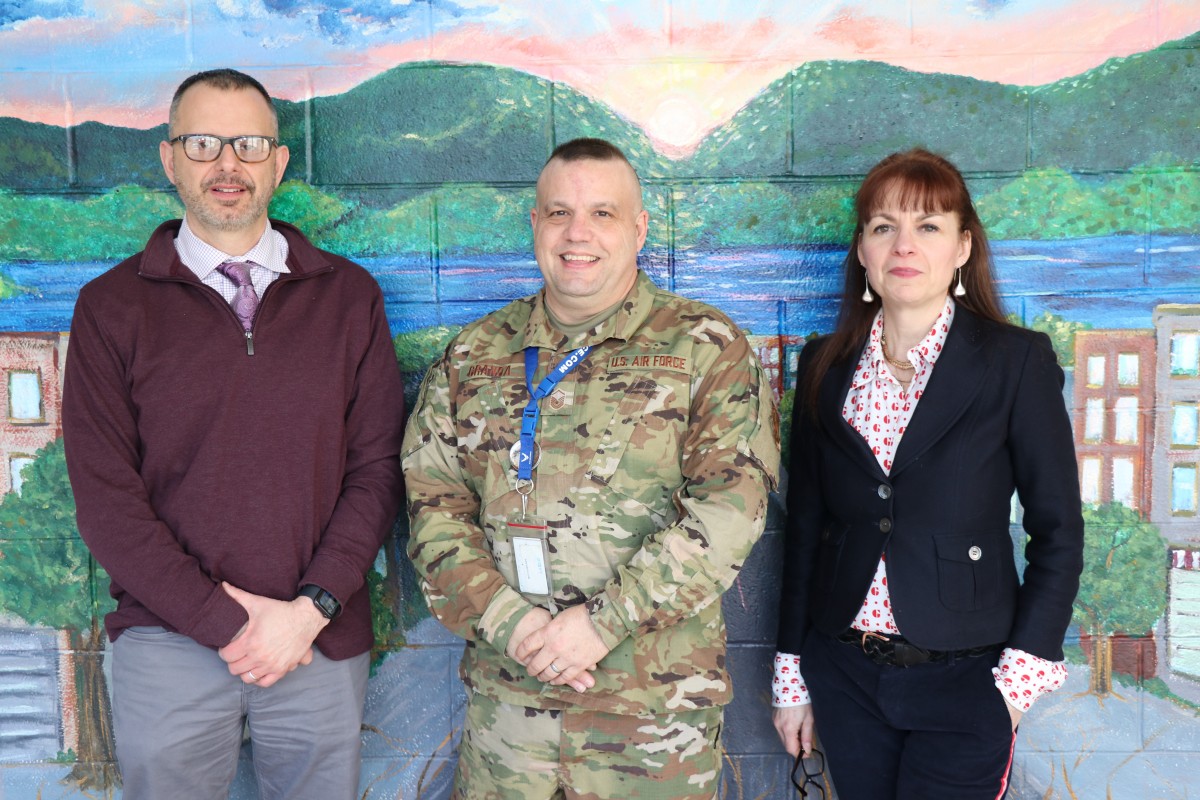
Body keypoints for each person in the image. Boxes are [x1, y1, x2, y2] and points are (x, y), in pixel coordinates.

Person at [61, 68, 405, 799]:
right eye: (204, 142)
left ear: (278, 162)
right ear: (169, 159)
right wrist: (225, 621)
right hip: (168, 641)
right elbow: (105, 499)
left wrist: (308, 611)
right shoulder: (110, 307)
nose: (228, 164)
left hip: (319, 638)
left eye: (249, 144)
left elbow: (377, 471)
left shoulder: (349, 298)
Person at [403, 137, 780, 799]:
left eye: (603, 214)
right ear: (536, 225)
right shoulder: (473, 356)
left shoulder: (706, 348)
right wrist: (509, 623)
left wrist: (603, 622)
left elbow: (729, 513)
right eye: (558, 213)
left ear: (638, 229)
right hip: (508, 721)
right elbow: (433, 507)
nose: (578, 233)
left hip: (653, 723)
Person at [771, 148, 1084, 800]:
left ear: (963, 247)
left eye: (929, 226)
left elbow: (1058, 531)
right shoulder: (825, 366)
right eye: (884, 226)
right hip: (846, 672)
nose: (903, 246)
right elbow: (803, 532)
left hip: (968, 680)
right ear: (862, 248)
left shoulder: (1014, 362)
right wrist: (793, 675)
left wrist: (1016, 684)